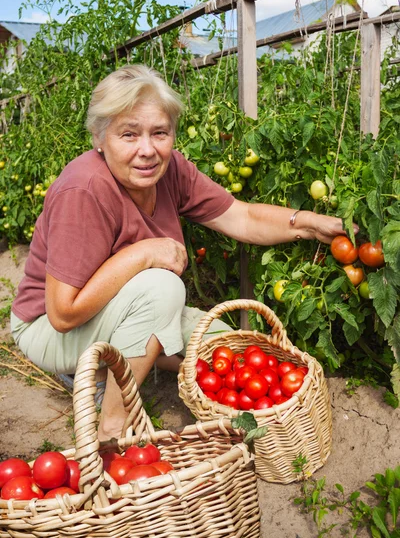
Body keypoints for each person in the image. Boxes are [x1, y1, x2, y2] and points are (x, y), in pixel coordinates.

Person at [10, 64, 354, 442]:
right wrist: (141, 254)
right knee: (162, 288)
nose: (147, 150)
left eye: (160, 133)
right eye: (128, 134)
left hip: (118, 306)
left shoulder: (169, 170)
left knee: (229, 351)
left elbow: (240, 216)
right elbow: (62, 313)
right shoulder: (84, 190)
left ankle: (118, 365)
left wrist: (308, 223)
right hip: (48, 328)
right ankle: (109, 430)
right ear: (99, 137)